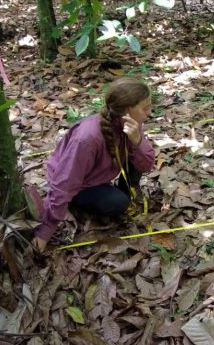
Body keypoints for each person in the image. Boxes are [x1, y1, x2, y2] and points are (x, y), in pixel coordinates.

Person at [32, 78, 156, 251]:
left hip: (98, 176)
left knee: (135, 160)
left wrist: (137, 141)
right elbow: (64, 183)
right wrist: (45, 232)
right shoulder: (87, 139)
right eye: (145, 108)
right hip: (79, 183)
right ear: (127, 110)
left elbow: (146, 165)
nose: (149, 112)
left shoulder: (131, 125)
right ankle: (81, 204)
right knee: (119, 203)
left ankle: (125, 191)